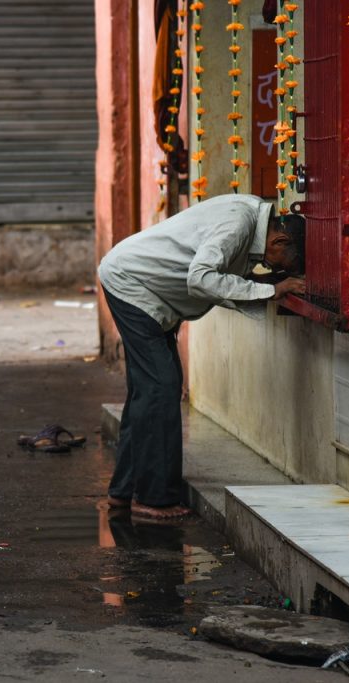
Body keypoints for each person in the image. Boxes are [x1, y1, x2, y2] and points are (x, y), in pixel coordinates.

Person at [98, 194, 306, 519]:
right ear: (279, 238)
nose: (272, 267)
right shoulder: (238, 223)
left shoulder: (249, 218)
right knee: (162, 387)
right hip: (132, 285)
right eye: (279, 262)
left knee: (148, 391)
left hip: (140, 285)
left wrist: (268, 283)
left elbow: (223, 276)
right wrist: (271, 289)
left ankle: (123, 492)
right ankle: (153, 497)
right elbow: (201, 278)